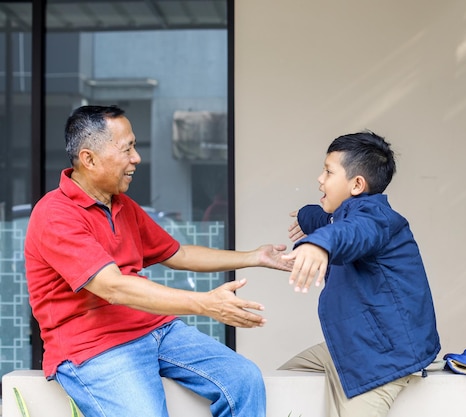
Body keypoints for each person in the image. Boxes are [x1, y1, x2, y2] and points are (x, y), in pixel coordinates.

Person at [24, 105, 292, 417]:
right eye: (127, 149)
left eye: (134, 146)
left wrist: (254, 257)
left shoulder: (123, 205)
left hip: (154, 329)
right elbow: (112, 287)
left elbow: (179, 254)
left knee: (243, 380)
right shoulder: (55, 214)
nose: (136, 158)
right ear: (89, 159)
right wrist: (205, 304)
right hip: (93, 347)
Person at [280, 131, 441, 417]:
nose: (320, 178)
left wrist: (319, 244)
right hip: (350, 346)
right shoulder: (343, 215)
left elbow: (352, 233)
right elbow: (326, 219)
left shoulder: (376, 219)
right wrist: (307, 216)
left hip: (381, 359)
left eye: (328, 172)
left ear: (356, 184)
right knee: (283, 381)